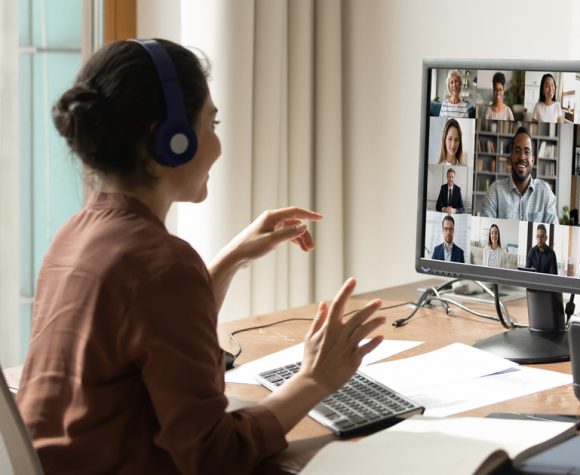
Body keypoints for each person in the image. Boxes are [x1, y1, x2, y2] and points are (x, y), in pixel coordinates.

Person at [15, 39, 387, 474]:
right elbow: (215, 456)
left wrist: (230, 260)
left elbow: (145, 329)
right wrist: (314, 380)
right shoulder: (161, 267)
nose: (218, 145)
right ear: (171, 140)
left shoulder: (75, 235)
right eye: (212, 124)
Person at [480, 126, 557, 223]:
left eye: (527, 151)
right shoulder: (495, 192)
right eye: (517, 151)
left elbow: (553, 232)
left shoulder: (545, 192)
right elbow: (487, 231)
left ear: (532, 160)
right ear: (511, 157)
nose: (522, 156)